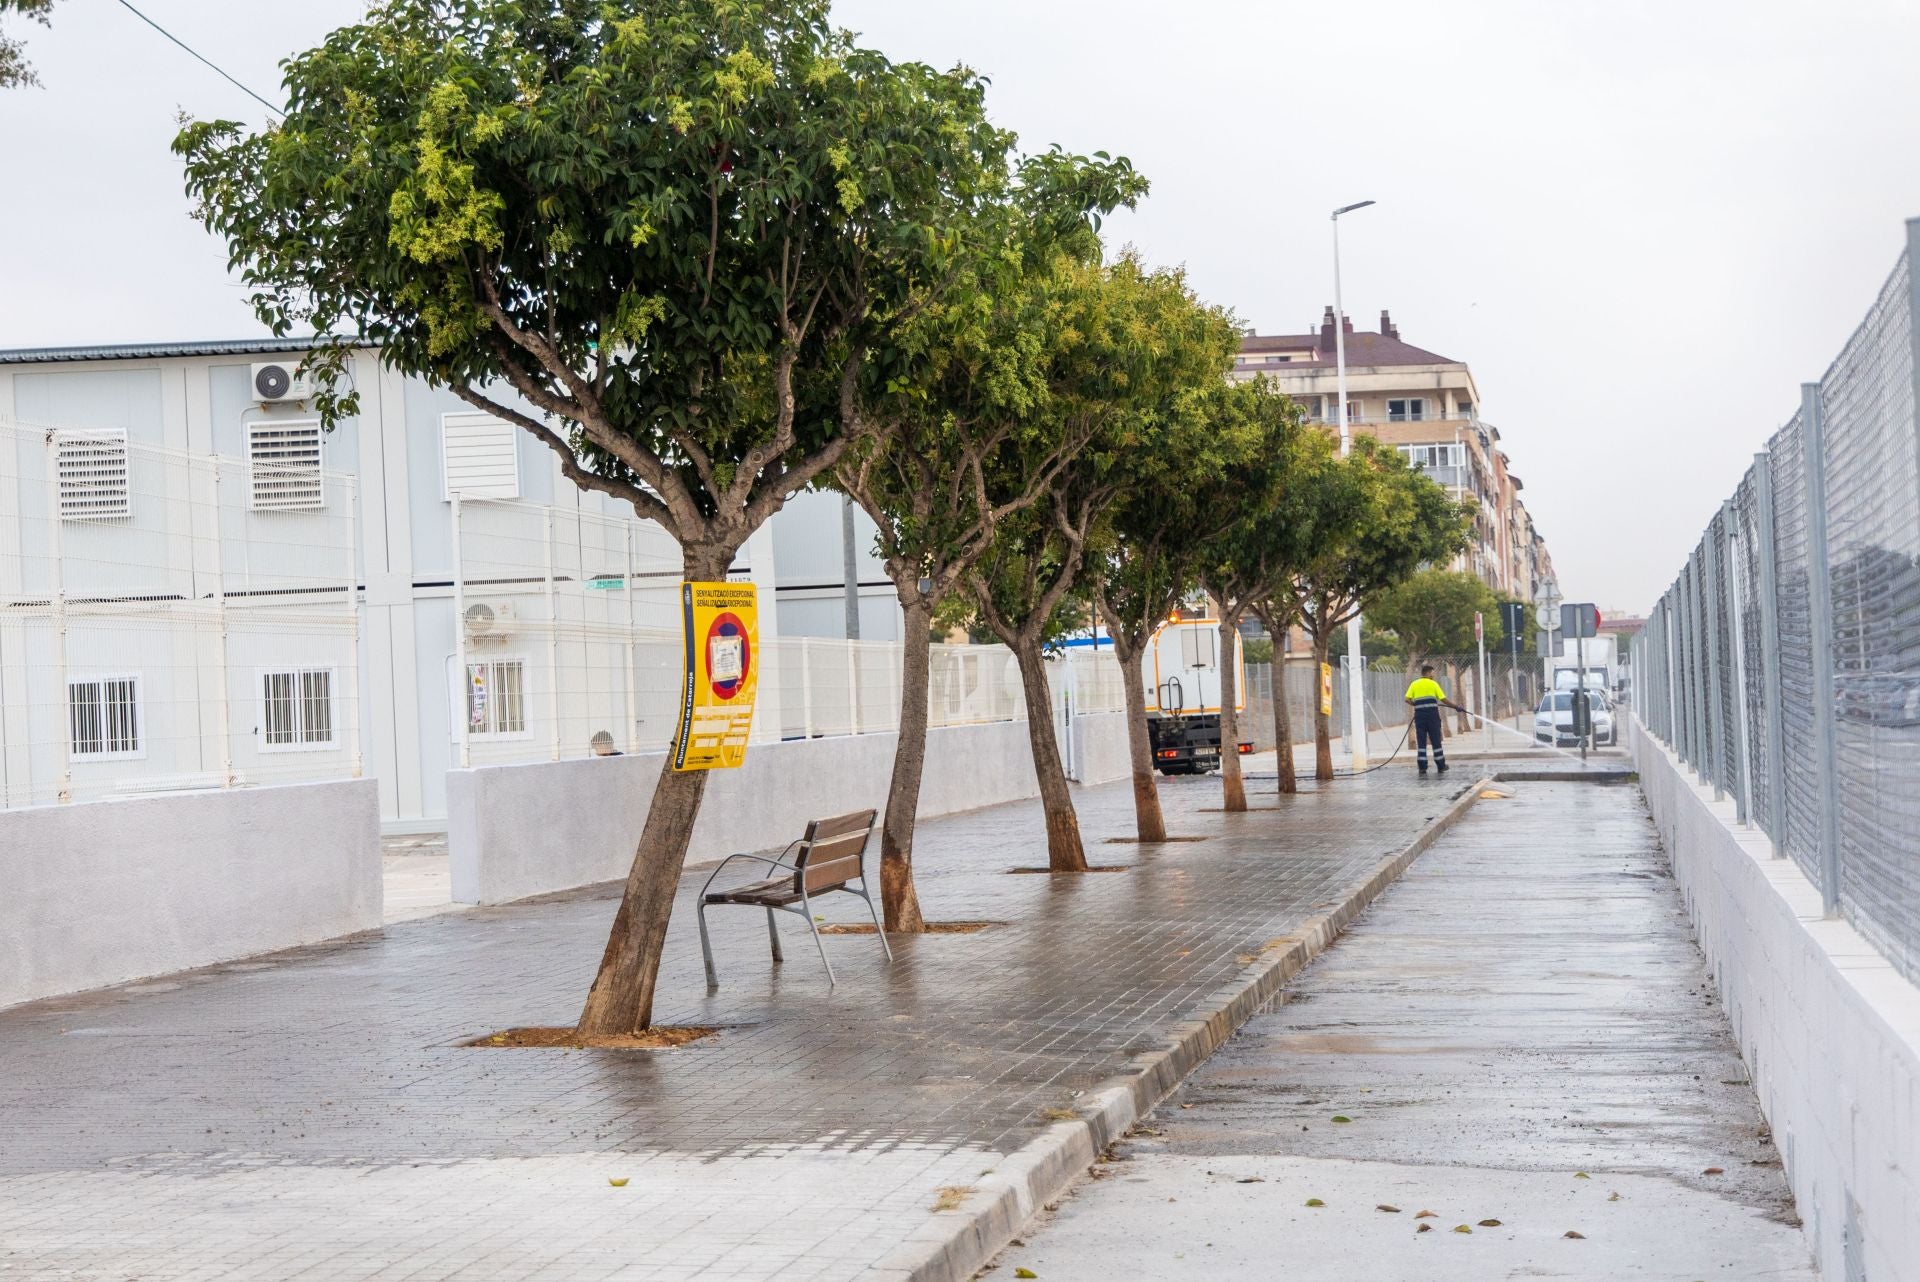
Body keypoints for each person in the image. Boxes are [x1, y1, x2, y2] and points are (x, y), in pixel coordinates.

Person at [1403, 664, 1453, 776]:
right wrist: (1455, 707)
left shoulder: (1414, 684)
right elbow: (1443, 699)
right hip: (1432, 717)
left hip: (1420, 717)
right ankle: (1441, 766)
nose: (1433, 674)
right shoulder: (1433, 684)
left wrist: (1415, 704)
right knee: (1436, 741)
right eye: (1432, 672)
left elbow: (1406, 699)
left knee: (1421, 742)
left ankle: (1422, 768)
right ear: (1428, 672)